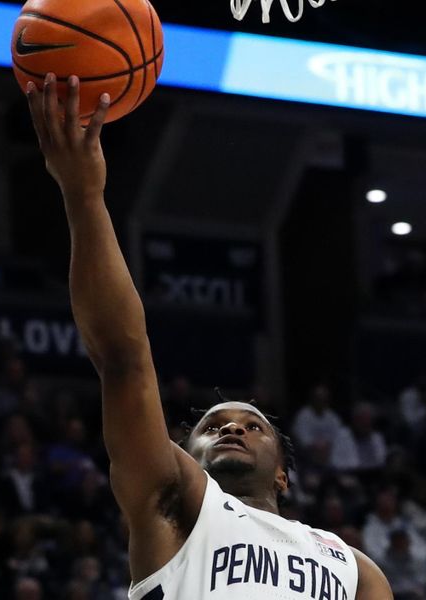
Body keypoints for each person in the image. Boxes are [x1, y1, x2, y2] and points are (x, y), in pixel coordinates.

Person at [25, 73, 392, 599]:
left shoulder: (353, 569)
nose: (233, 429)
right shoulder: (177, 503)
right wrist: (84, 194)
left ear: (284, 475)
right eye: (213, 425)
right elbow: (123, 359)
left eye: (252, 425)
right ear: (186, 455)